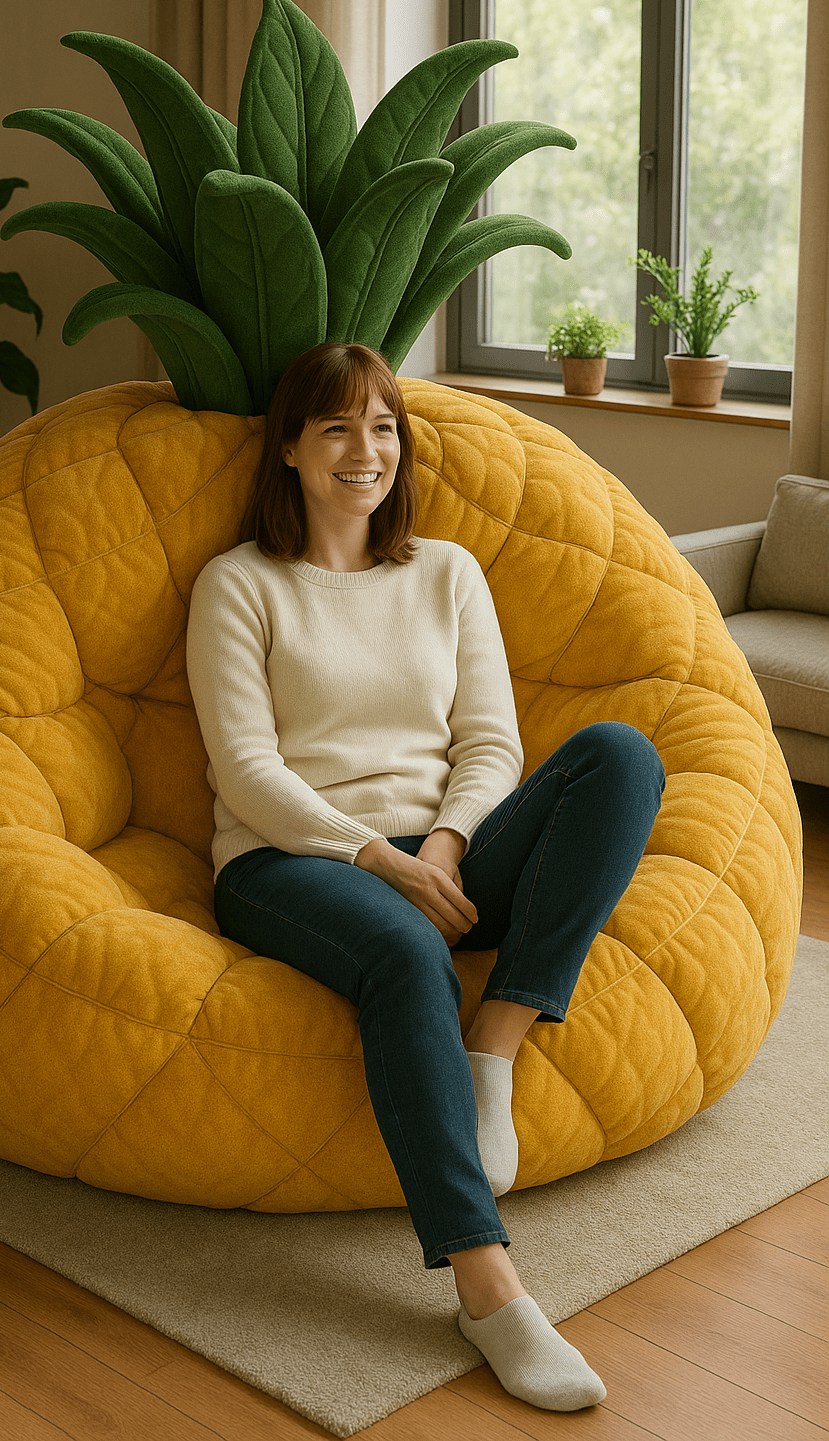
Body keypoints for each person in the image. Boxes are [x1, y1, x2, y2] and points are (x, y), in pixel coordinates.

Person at [185, 342, 665, 1413]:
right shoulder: (239, 584)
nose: (367, 452)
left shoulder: (445, 571)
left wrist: (442, 846)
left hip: (437, 846)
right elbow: (246, 771)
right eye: (339, 430)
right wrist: (373, 858)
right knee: (405, 952)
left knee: (622, 756)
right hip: (291, 858)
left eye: (384, 428)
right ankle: (486, 1286)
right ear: (292, 451)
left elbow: (490, 744)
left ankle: (494, 1039)